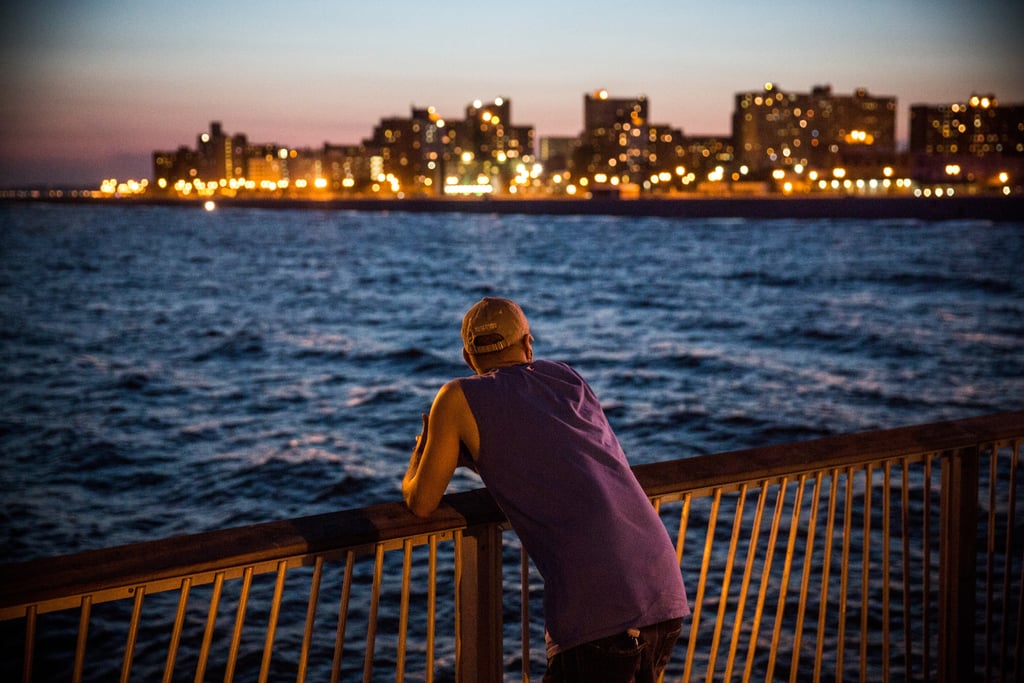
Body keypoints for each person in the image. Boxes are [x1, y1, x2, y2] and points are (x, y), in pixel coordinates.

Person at [402, 297, 689, 683]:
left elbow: (422, 502)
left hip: (600, 613)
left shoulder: (457, 396)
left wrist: (419, 459)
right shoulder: (567, 377)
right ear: (527, 345)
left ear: (468, 359)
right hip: (662, 587)